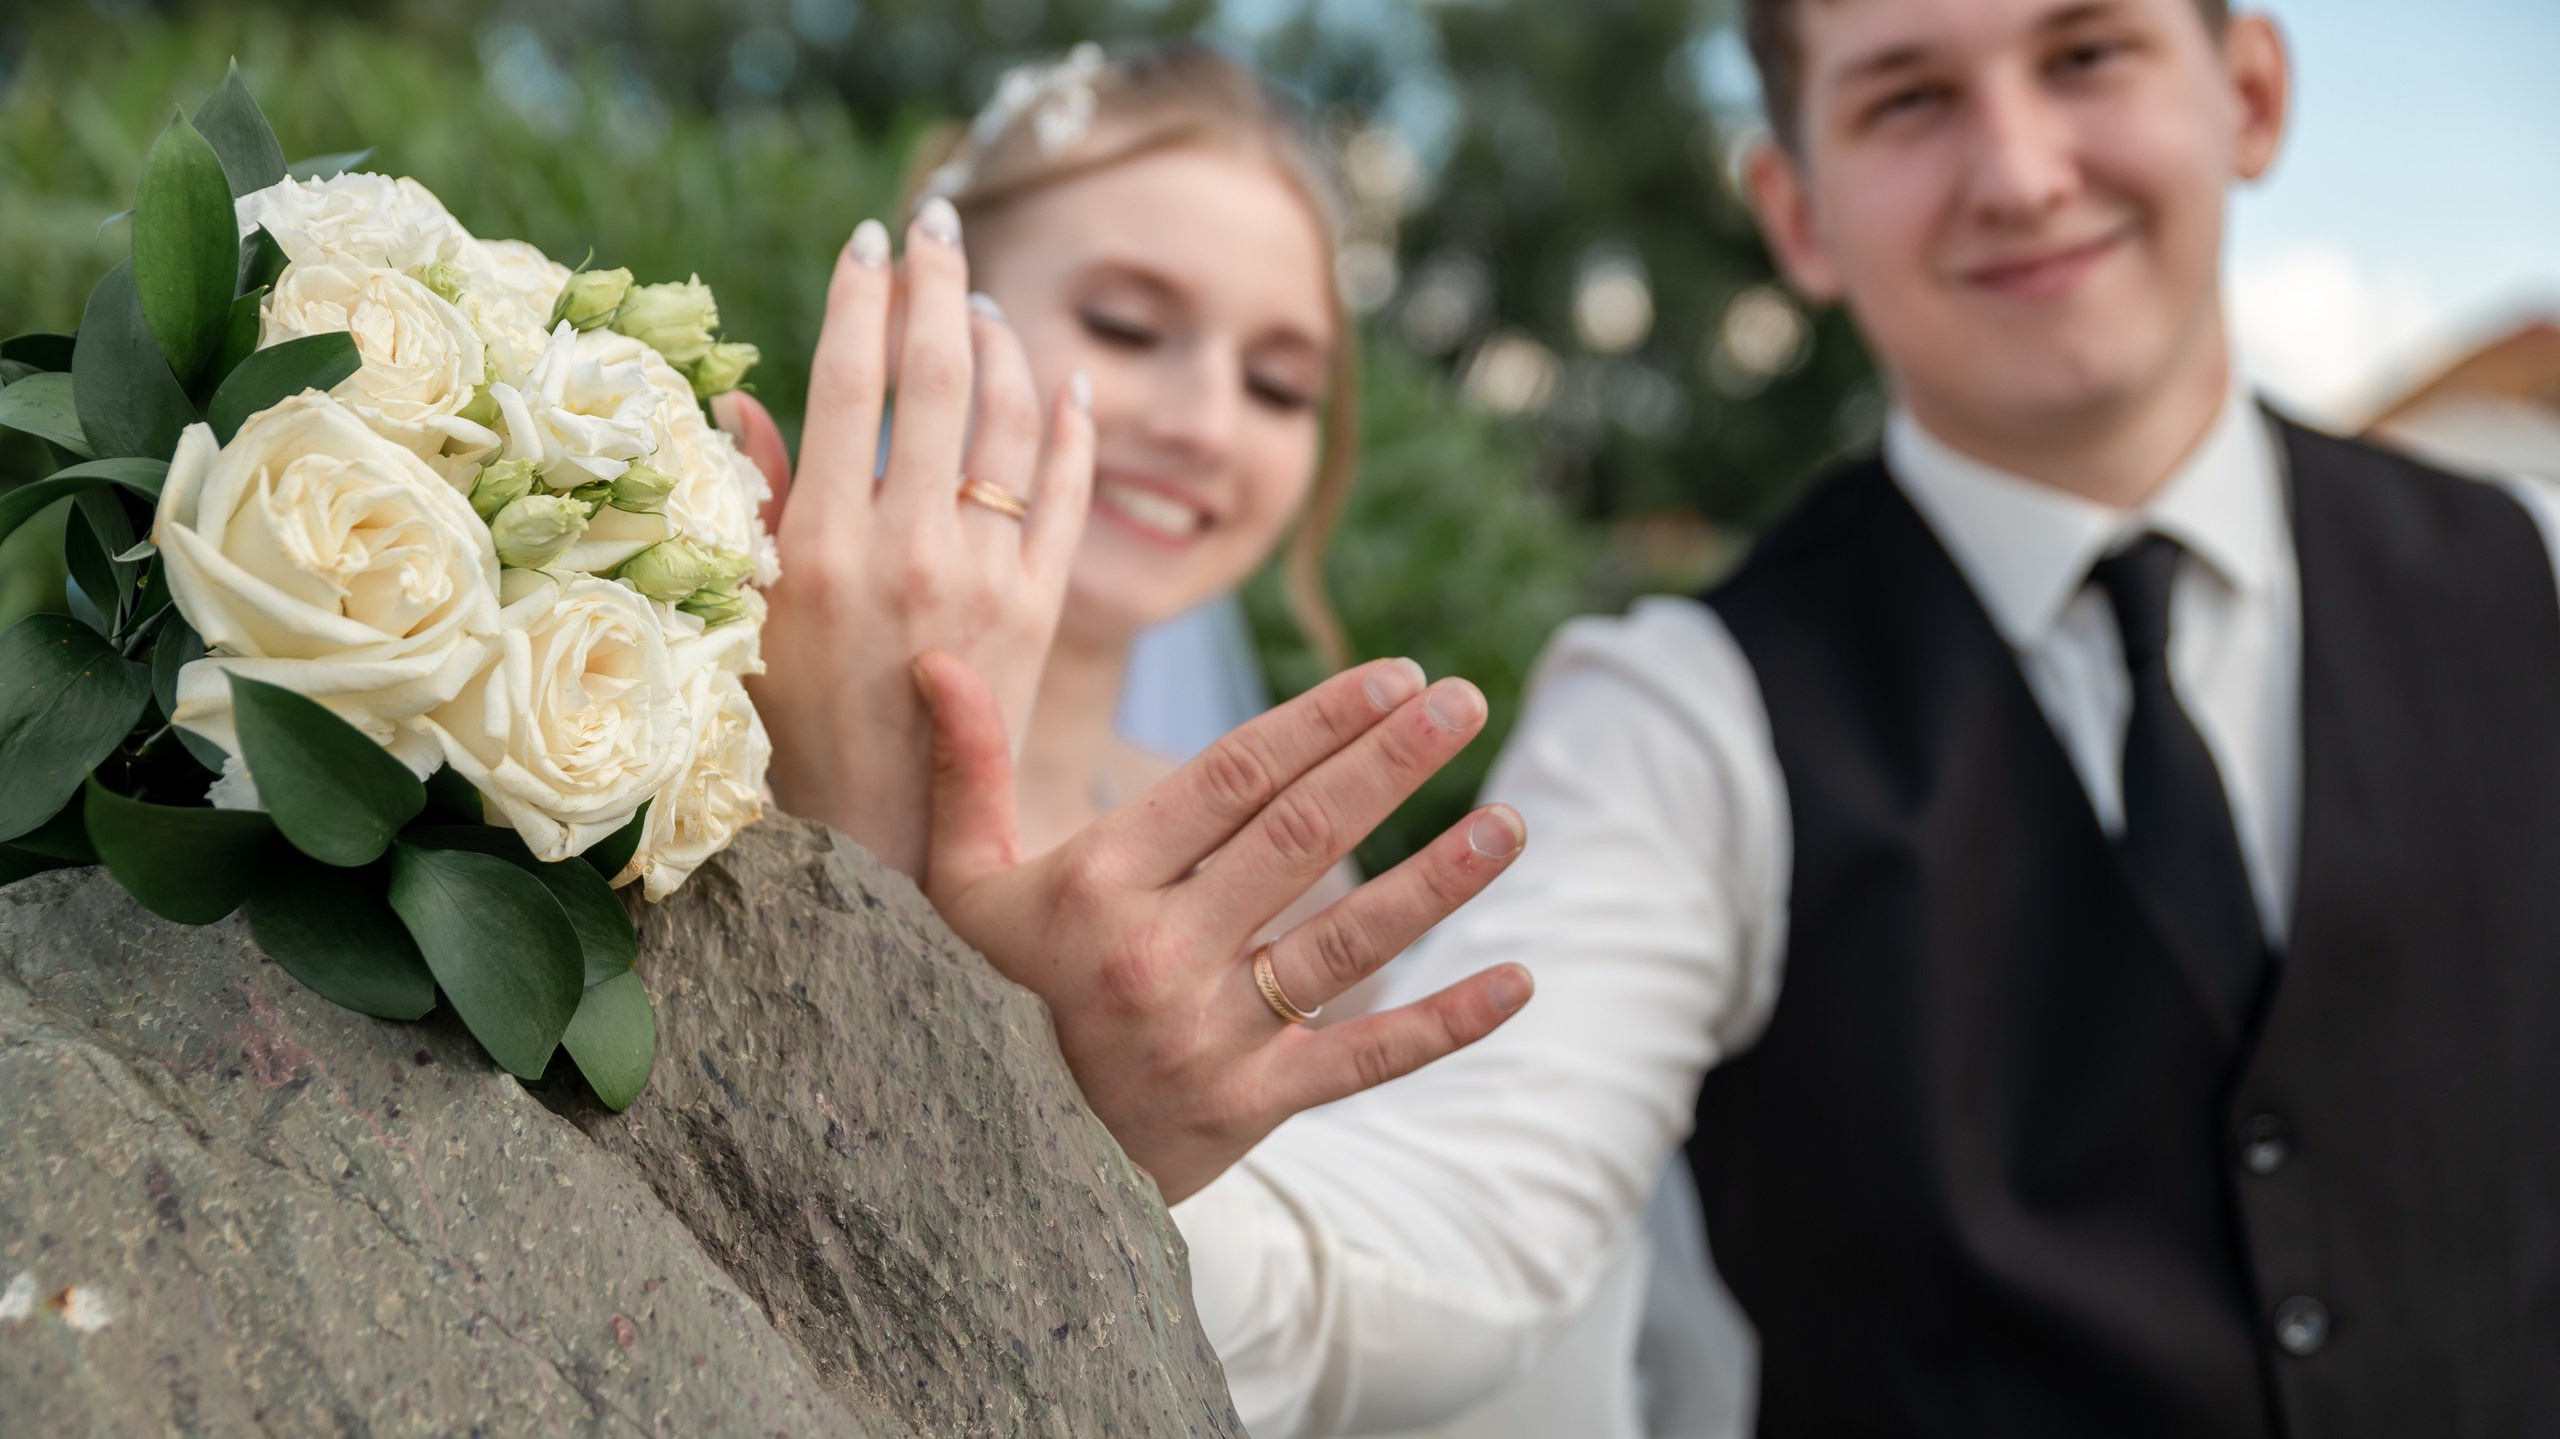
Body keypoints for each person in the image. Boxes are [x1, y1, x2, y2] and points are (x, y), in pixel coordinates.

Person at [1043, 0, 2560, 1434]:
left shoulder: (2533, 571)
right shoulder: (1684, 711)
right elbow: (1460, 1211)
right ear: (1798, 213)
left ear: (2249, 95)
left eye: (2087, 53)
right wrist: (1121, 1175)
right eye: (1910, 98)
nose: (2022, 174)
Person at [734, 41, 1743, 1435]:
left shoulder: (1288, 893)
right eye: (1131, 327)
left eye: (1278, 385)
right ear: (934, 315)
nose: (1207, 423)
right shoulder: (702, 721)